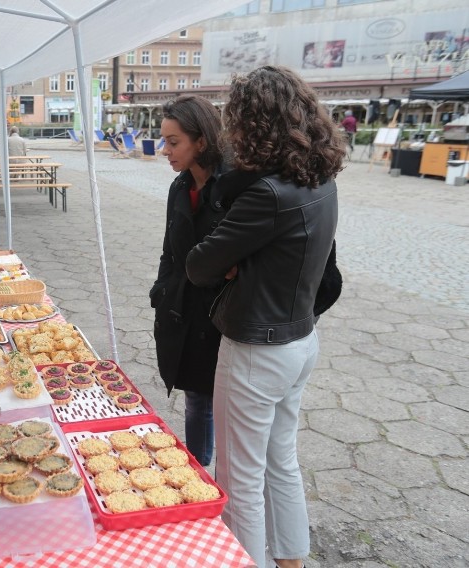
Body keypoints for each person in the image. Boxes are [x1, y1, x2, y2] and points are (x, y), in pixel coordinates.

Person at [185, 65, 343, 568]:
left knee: (240, 480)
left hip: (258, 348)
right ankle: (292, 560)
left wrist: (235, 261)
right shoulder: (319, 179)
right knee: (281, 462)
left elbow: (198, 265)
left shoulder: (268, 194)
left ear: (254, 125)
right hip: (299, 340)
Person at [149, 94, 226, 467]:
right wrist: (161, 290)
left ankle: (206, 469)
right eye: (164, 140)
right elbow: (169, 248)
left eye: (173, 141)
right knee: (196, 395)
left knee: (212, 398)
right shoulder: (180, 187)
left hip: (219, 313)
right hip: (183, 306)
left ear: (202, 141)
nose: (165, 150)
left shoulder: (232, 188)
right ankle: (199, 465)